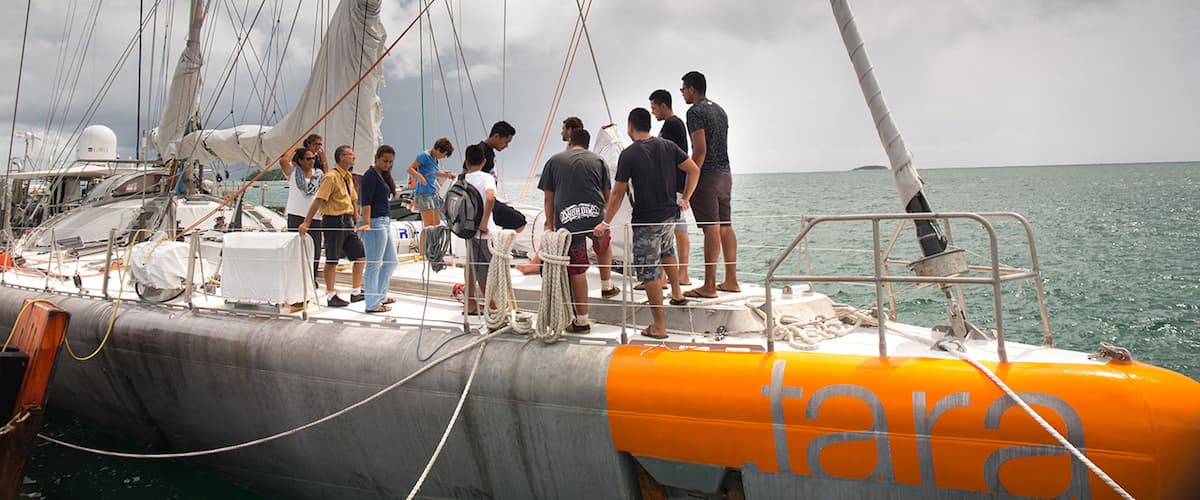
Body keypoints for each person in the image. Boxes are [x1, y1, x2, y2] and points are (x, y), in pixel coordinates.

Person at [594, 108, 699, 339]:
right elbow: (694, 169)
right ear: (648, 125)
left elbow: (618, 194)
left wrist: (605, 222)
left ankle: (659, 326)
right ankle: (677, 293)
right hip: (669, 216)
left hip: (646, 221)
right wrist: (686, 199)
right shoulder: (668, 146)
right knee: (667, 251)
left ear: (631, 126)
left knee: (649, 273)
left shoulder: (629, 154)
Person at [538, 128, 619, 334]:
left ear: (570, 140)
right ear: (588, 143)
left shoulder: (554, 161)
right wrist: (607, 220)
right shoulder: (598, 161)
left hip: (568, 221)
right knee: (603, 245)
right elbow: (607, 195)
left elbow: (548, 197)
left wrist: (550, 224)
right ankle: (606, 285)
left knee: (578, 269)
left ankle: (582, 321)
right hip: (596, 218)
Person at [680, 70, 740, 299]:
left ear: (692, 89)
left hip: (708, 176)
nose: (683, 94)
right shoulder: (720, 110)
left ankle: (709, 286)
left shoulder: (694, 111)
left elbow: (700, 149)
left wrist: (691, 180)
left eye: (683, 89)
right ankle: (731, 280)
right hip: (726, 174)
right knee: (725, 225)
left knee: (711, 227)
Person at [299, 145, 366, 307]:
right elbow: (319, 199)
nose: (354, 157)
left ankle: (356, 291)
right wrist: (307, 221)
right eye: (350, 155)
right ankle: (330, 294)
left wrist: (356, 219)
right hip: (333, 220)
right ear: (341, 157)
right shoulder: (331, 177)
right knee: (332, 258)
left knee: (360, 256)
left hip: (347, 221)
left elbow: (353, 200)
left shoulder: (348, 177)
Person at [650, 88, 692, 287]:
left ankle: (676, 275)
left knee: (675, 229)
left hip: (674, 184)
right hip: (676, 183)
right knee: (677, 229)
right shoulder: (674, 124)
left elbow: (668, 155)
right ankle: (673, 275)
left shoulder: (672, 124)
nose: (653, 112)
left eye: (654, 108)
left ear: (663, 106)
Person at [358, 145, 399, 313]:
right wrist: (366, 223)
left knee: (391, 261)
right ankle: (372, 303)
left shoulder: (382, 176)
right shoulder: (369, 176)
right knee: (374, 263)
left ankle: (380, 295)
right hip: (374, 222)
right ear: (377, 158)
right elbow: (365, 202)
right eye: (385, 161)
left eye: (390, 162)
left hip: (384, 221)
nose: (387, 164)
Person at [467, 121, 526, 232]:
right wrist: (484, 220)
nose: (506, 146)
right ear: (496, 136)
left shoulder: (482, 150)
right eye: (506, 142)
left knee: (512, 215)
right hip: (485, 203)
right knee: (520, 221)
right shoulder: (482, 152)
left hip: (479, 203)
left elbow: (465, 172)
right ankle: (501, 246)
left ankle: (500, 243)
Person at [279, 146, 325, 285]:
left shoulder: (319, 174)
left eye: (313, 158)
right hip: (296, 215)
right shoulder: (293, 173)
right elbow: (283, 161)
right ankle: (297, 278)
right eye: (308, 158)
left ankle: (312, 278)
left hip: (315, 217)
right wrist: (294, 148)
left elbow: (329, 179)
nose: (311, 161)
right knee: (296, 249)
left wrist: (322, 158)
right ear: (300, 160)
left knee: (315, 249)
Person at [461, 144, 496, 316]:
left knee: (473, 268)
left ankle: (471, 304)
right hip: (485, 232)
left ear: (466, 162)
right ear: (484, 161)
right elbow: (490, 197)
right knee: (493, 268)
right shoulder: (486, 178)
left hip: (468, 232)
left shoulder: (460, 180)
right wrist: (484, 221)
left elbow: (445, 208)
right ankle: (495, 306)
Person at [406, 137, 455, 257]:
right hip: (423, 194)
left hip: (432, 194)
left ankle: (435, 250)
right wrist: (419, 176)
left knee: (436, 223)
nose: (443, 157)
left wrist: (447, 175)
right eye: (443, 155)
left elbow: (433, 172)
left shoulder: (434, 159)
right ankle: (423, 253)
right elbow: (410, 169)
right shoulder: (424, 156)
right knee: (428, 225)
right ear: (438, 149)